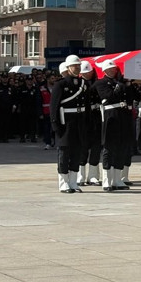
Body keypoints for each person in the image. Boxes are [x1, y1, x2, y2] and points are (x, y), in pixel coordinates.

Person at [50, 56, 88, 194]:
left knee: (76, 153)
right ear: (68, 68)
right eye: (74, 66)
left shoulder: (83, 83)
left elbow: (86, 105)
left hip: (79, 122)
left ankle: (73, 182)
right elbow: (54, 107)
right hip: (65, 122)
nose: (77, 68)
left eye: (78, 65)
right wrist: (55, 125)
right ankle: (64, 183)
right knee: (64, 154)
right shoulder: (60, 85)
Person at [94, 59, 132, 192]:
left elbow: (130, 98)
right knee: (109, 148)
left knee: (121, 148)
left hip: (122, 116)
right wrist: (119, 86)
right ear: (104, 70)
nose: (112, 70)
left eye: (114, 69)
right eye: (110, 69)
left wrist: (128, 84)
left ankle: (117, 179)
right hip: (110, 116)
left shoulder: (120, 83)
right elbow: (108, 96)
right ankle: (106, 180)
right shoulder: (101, 83)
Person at [77, 61, 102, 187]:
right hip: (83, 117)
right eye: (85, 72)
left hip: (96, 116)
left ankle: (93, 176)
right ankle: (80, 175)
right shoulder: (78, 84)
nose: (88, 74)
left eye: (89, 72)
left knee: (96, 147)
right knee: (83, 147)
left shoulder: (97, 83)